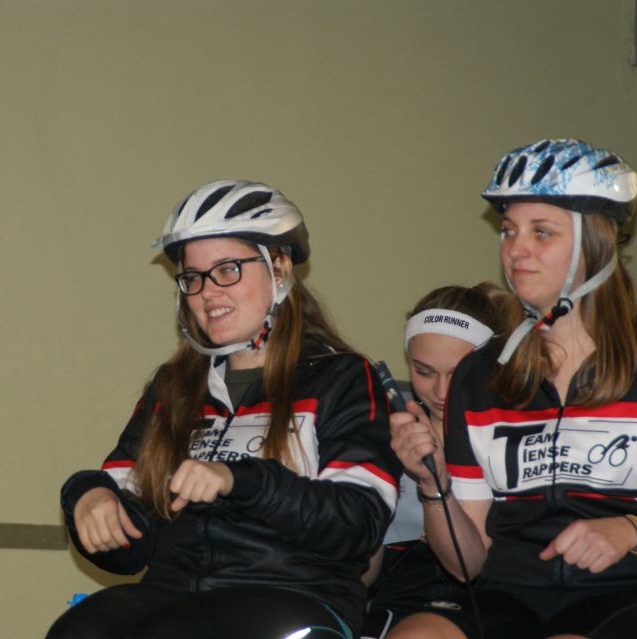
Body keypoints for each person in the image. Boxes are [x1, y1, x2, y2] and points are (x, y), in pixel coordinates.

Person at [387, 139, 637, 639]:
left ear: (596, 243)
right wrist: (431, 484)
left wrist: (631, 532)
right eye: (508, 230)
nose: (515, 249)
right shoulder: (479, 375)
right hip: (510, 594)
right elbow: (467, 564)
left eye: (541, 232)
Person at [46, 179, 402, 639]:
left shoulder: (342, 377)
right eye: (193, 277)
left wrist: (240, 479)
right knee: (79, 630)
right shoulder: (174, 388)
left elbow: (358, 522)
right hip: (175, 596)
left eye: (227, 270)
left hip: (298, 595)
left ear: (279, 268)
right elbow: (131, 548)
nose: (207, 293)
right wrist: (87, 496)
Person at [361, 283, 506, 639]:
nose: (442, 392)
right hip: (401, 589)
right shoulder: (388, 432)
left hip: (489, 596)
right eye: (424, 372)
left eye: (458, 374)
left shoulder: (511, 438)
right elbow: (364, 565)